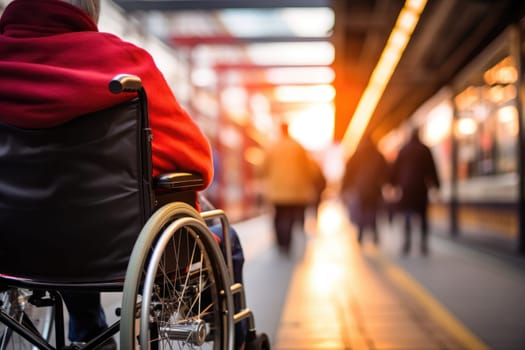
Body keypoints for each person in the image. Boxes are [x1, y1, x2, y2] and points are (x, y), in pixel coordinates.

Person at [0, 1, 245, 348]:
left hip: (13, 245)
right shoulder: (123, 62)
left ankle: (90, 334)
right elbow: (196, 162)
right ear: (89, 10)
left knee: (59, 223)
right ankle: (235, 335)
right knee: (226, 237)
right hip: (113, 249)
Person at [260, 122, 325, 254]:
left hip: (277, 190)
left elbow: (262, 168)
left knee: (279, 216)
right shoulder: (298, 146)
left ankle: (281, 242)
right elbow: (308, 168)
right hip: (295, 191)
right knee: (289, 217)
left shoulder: (273, 147)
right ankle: (287, 243)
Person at [390, 127, 440, 255]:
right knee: (423, 216)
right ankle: (423, 245)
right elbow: (432, 169)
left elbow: (395, 169)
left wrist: (393, 185)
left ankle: (407, 244)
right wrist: (436, 186)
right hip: (421, 188)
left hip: (406, 188)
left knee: (407, 215)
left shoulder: (403, 150)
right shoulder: (424, 149)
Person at [341, 135, 388, 244]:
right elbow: (385, 170)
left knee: (361, 211)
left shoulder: (357, 154)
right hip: (375, 188)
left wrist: (345, 187)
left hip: (360, 188)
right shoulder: (378, 154)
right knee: (374, 211)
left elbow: (349, 171)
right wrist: (386, 183)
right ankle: (375, 233)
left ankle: (361, 234)